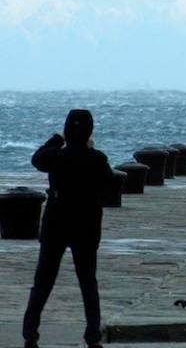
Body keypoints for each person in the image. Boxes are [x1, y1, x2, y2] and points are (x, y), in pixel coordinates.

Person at [22, 109, 112, 348]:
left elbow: (37, 158)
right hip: (86, 225)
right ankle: (92, 335)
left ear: (67, 131)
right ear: (89, 132)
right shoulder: (97, 159)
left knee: (43, 281)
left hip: (56, 223)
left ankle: (30, 332)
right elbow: (110, 186)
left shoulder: (56, 157)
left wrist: (58, 138)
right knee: (88, 282)